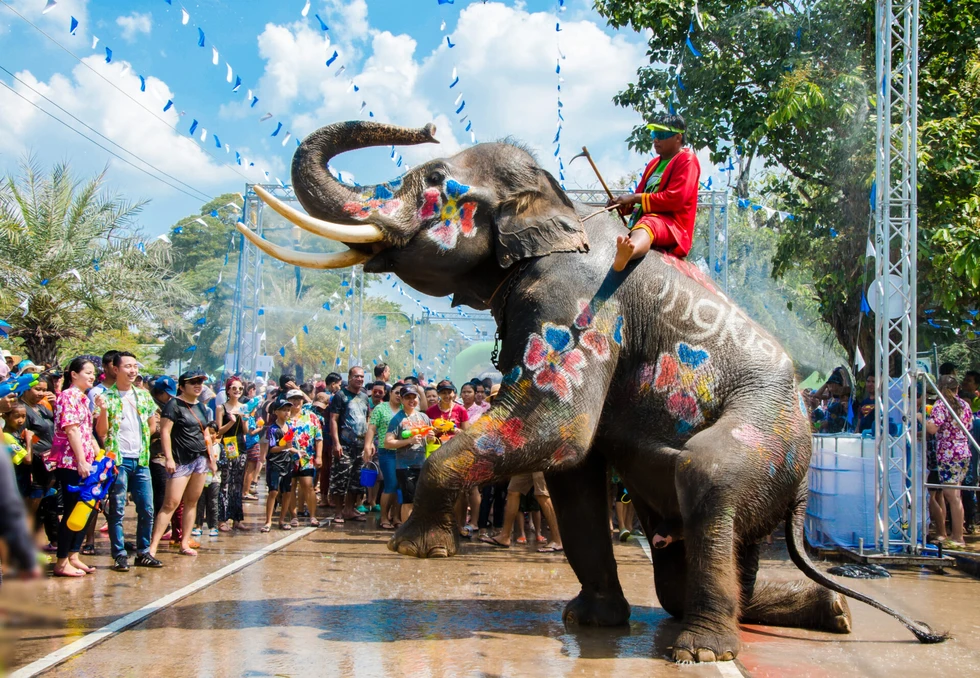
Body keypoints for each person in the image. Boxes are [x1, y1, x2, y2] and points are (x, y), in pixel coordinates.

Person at [608, 114, 701, 272]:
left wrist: (633, 197)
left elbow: (675, 199)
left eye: (662, 135)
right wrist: (622, 205)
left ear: (678, 137)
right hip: (647, 219)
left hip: (673, 226)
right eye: (654, 134)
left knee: (649, 223)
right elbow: (640, 198)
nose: (656, 140)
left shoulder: (687, 160)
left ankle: (631, 250)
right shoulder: (653, 164)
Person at [97, 352, 163, 571]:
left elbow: (153, 426)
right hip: (118, 460)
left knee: (146, 508)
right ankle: (119, 554)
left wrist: (142, 444)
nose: (133, 370)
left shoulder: (143, 396)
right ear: (115, 369)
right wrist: (104, 411)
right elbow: (101, 432)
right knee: (117, 509)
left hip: (141, 459)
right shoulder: (107, 397)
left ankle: (143, 552)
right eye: (128, 366)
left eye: (135, 366)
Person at [147, 370, 217, 558]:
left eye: (200, 382)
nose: (197, 385)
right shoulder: (174, 404)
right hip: (180, 460)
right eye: (193, 382)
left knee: (192, 502)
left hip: (199, 459)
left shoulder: (201, 407)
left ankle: (184, 542)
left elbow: (205, 434)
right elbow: (165, 432)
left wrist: (211, 458)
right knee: (171, 503)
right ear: (182, 386)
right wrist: (169, 458)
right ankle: (152, 546)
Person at [50, 357, 107, 577]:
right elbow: (72, 430)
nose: (93, 376)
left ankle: (74, 554)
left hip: (85, 461)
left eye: (94, 373)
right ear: (74, 374)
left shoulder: (83, 398)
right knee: (73, 511)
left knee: (85, 509)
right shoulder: (67, 396)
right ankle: (62, 561)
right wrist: (82, 460)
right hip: (71, 462)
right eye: (88, 372)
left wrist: (97, 454)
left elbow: (87, 430)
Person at [925, 374, 973, 548]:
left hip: (949, 454)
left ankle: (958, 536)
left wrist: (920, 418)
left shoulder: (940, 405)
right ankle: (956, 534)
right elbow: (968, 426)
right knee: (955, 495)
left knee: (951, 495)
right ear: (957, 389)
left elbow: (932, 428)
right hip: (963, 452)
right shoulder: (965, 405)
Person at [385, 385, 434, 521]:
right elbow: (388, 442)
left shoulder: (423, 417)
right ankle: (406, 533)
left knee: (421, 501)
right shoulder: (397, 419)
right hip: (405, 466)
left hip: (422, 465)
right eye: (407, 397)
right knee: (408, 501)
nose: (411, 400)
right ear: (401, 399)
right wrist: (409, 441)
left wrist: (430, 437)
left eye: (414, 397)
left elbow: (429, 443)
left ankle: (416, 530)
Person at [327, 366, 370, 523]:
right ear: (350, 377)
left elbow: (368, 419)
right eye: (356, 376)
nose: (359, 379)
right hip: (344, 445)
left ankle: (350, 509)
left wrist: (368, 442)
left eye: (361, 377)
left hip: (360, 445)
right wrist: (336, 443)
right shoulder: (340, 396)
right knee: (340, 478)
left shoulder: (365, 397)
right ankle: (338, 511)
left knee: (356, 479)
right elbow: (333, 419)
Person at [148, 376, 187, 547]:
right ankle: (157, 531)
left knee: (173, 499)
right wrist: (169, 425)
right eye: (166, 394)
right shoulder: (152, 406)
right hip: (157, 457)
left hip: (172, 457)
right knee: (161, 498)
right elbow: (155, 429)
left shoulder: (170, 406)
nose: (170, 397)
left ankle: (170, 530)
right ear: (159, 392)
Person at [21, 373, 58, 550]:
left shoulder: (42, 408)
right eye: (37, 389)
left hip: (48, 463)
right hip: (34, 463)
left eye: (44, 390)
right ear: (26, 389)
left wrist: (55, 402)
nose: (41, 393)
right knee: (32, 503)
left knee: (45, 503)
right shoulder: (22, 410)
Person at [365, 381, 403, 529]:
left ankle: (396, 517)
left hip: (403, 452)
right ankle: (384, 517)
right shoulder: (381, 408)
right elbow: (372, 428)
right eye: (397, 392)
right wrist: (367, 445)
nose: (400, 396)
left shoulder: (406, 410)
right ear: (390, 393)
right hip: (386, 451)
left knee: (400, 486)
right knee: (390, 485)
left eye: (403, 393)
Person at [215, 376, 251, 532]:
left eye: (240, 389)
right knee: (225, 482)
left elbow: (246, 430)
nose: (237, 391)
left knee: (238, 483)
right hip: (226, 443)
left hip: (240, 445)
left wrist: (244, 419)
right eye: (234, 388)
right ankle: (222, 519)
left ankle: (237, 519)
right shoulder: (221, 408)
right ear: (228, 390)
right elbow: (218, 431)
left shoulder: (244, 407)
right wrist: (230, 421)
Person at [262, 399, 296, 532]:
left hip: (287, 462)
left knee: (287, 491)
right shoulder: (272, 429)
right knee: (273, 491)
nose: (287, 412)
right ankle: (268, 521)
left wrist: (297, 451)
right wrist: (284, 447)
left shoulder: (290, 428)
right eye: (284, 410)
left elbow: (290, 447)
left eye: (288, 410)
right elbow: (272, 448)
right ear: (276, 412)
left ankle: (282, 520)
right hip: (275, 462)